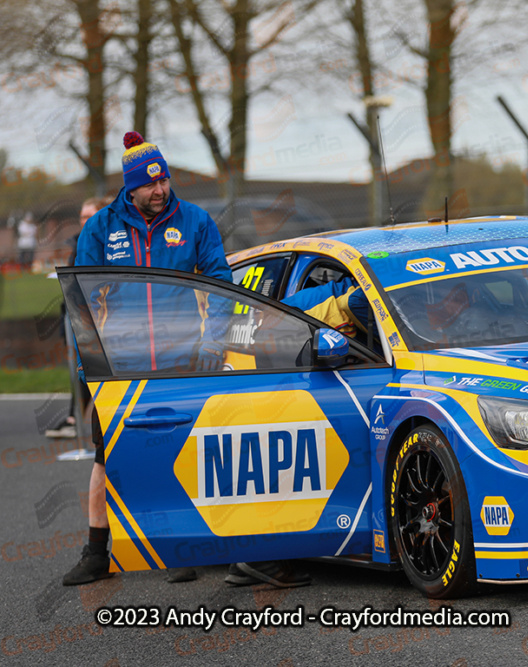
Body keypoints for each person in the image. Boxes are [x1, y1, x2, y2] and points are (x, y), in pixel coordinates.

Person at [63, 131, 232, 586]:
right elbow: (81, 300)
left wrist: (212, 345)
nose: (161, 191)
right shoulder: (100, 227)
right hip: (121, 367)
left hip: (180, 363)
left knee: (181, 452)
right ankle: (98, 552)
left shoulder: (195, 222)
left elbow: (221, 287)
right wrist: (92, 358)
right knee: (108, 456)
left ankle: (179, 547)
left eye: (165, 182)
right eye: (150, 185)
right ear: (131, 188)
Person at [223, 278, 370, 589]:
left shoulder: (351, 285)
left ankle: (247, 555)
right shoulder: (361, 296)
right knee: (285, 454)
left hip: (282, 357)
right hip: (275, 361)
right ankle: (260, 554)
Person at [46, 196, 115, 439]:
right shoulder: (80, 242)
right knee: (83, 368)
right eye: (82, 216)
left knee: (95, 369)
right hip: (77, 314)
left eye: (89, 215)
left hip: (103, 319)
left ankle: (84, 418)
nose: (84, 220)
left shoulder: (110, 240)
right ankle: (77, 417)